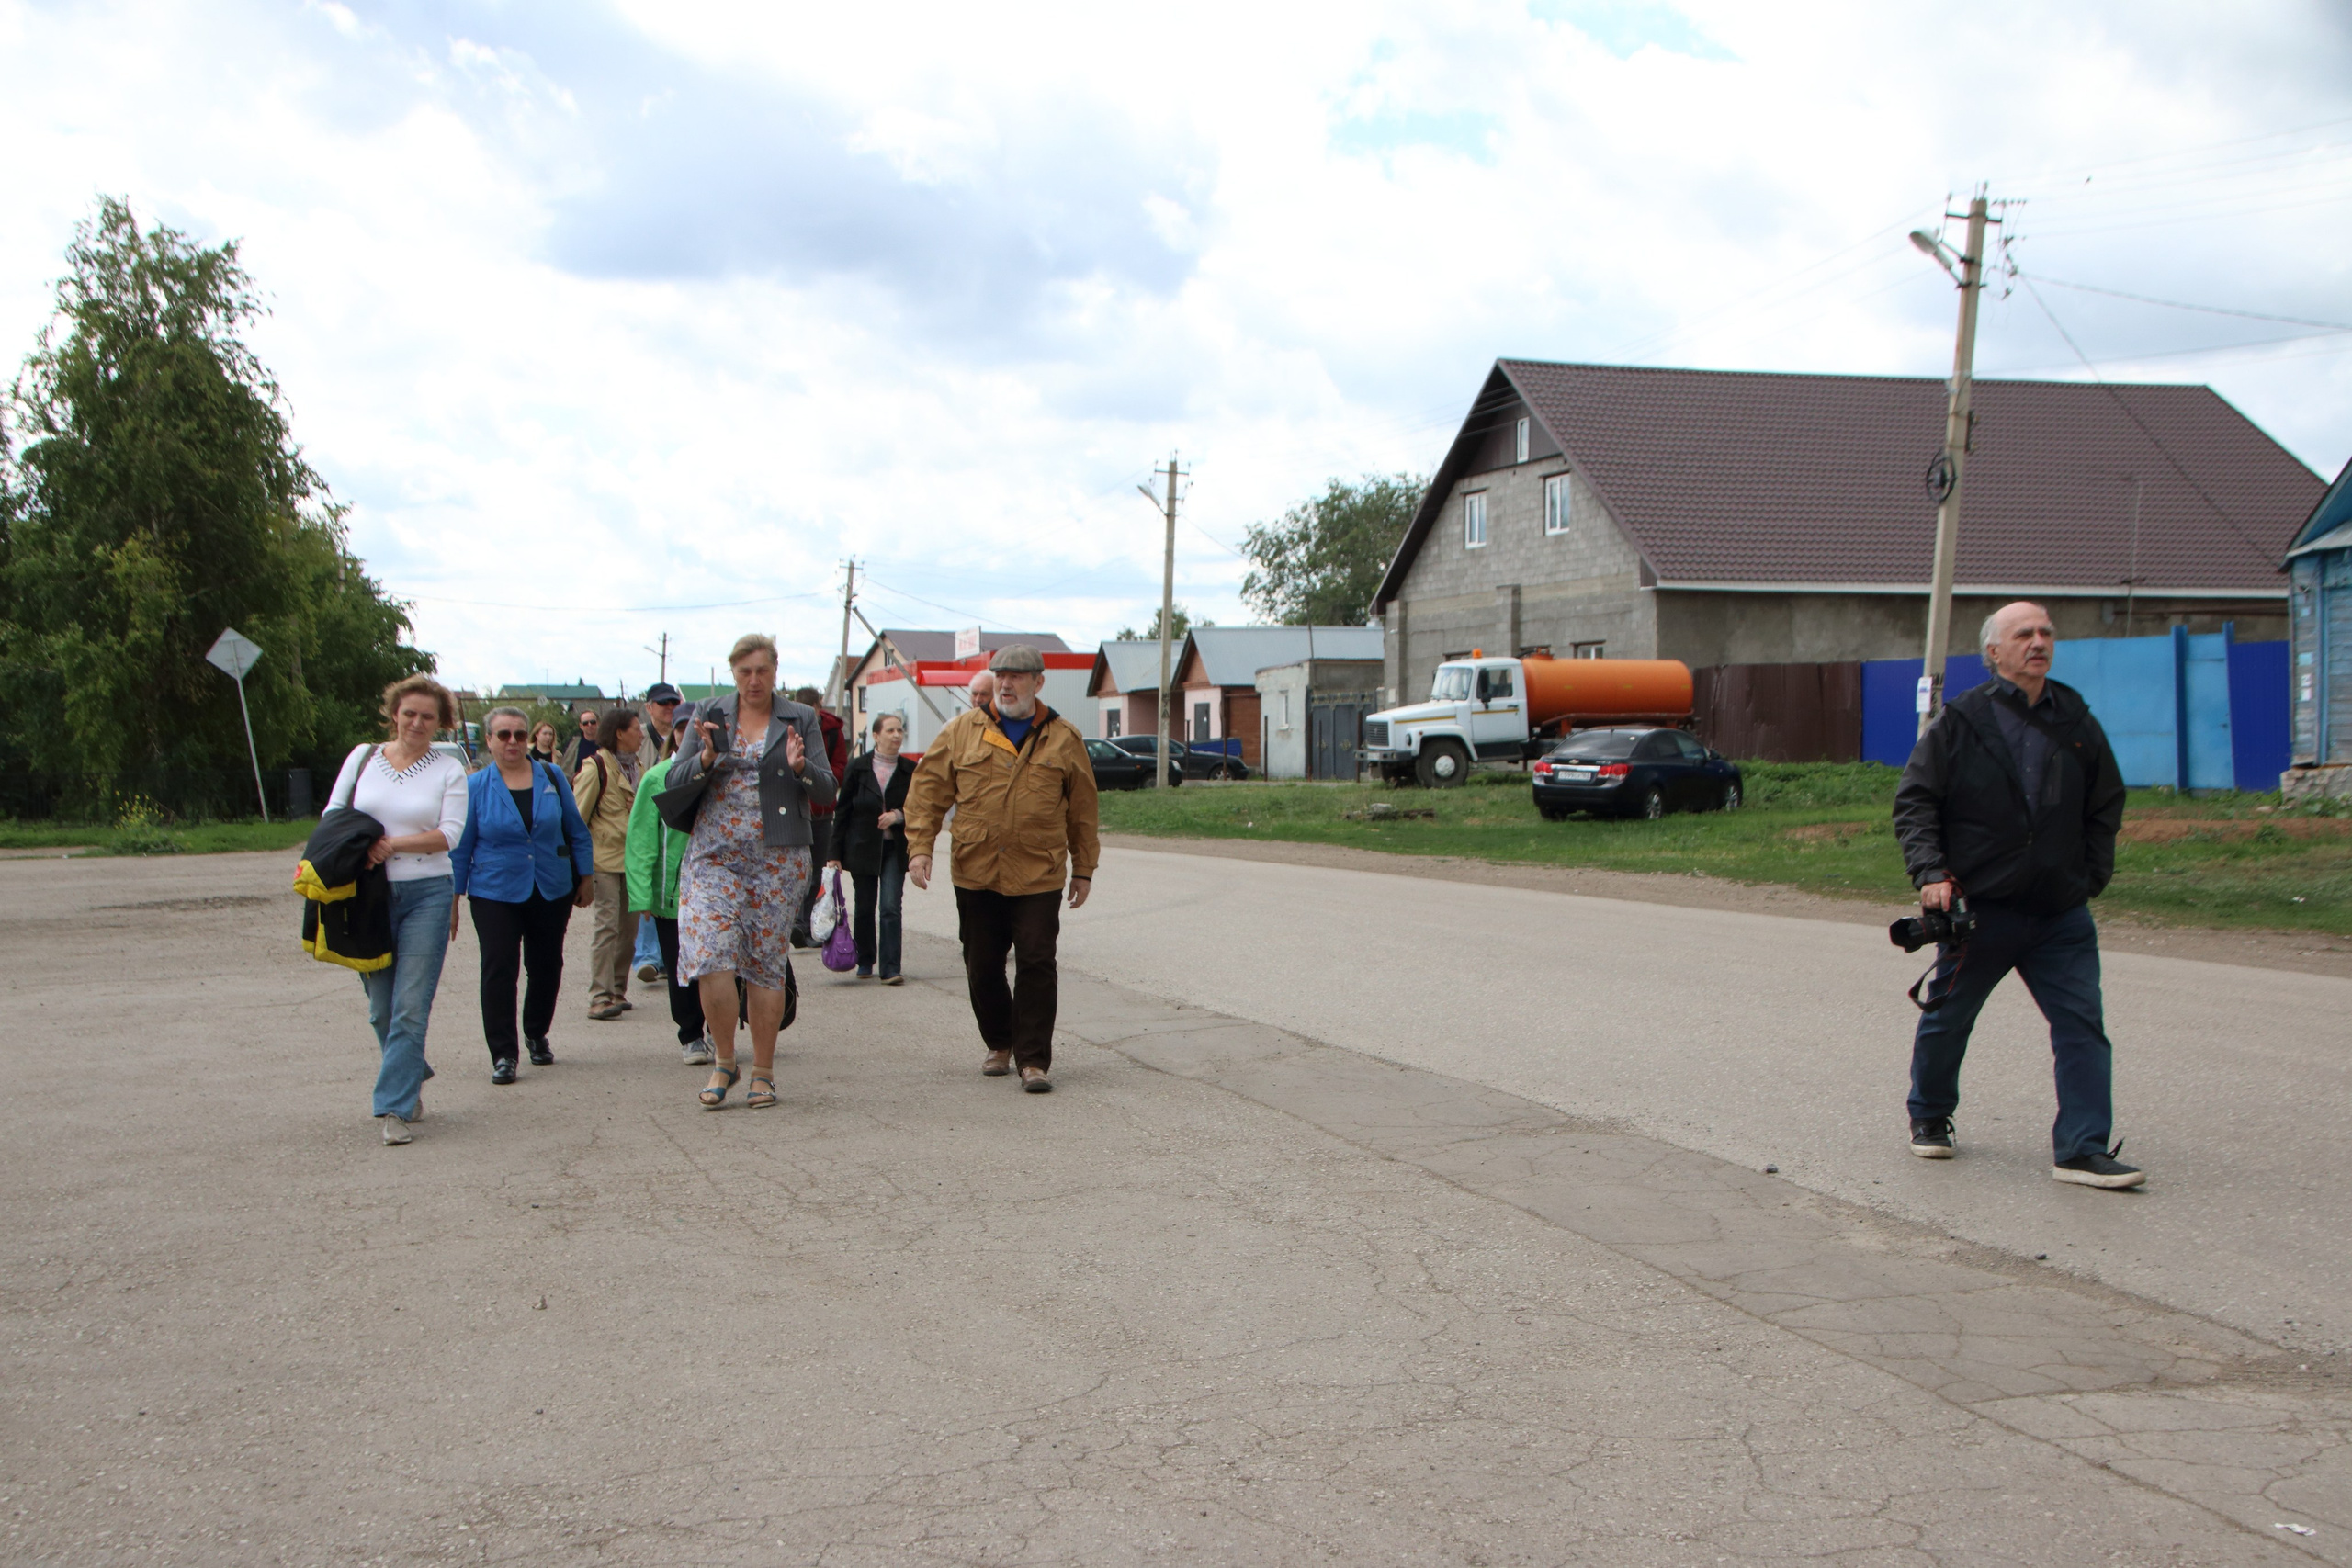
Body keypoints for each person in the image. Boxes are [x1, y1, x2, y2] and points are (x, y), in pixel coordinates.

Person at [1893, 600, 2140, 1190]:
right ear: (1994, 653)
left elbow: (2106, 802)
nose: (2038, 641)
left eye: (2046, 632)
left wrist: (2090, 876)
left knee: (2082, 1024)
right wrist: (1931, 872)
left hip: (2060, 911)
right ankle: (1929, 1115)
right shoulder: (1963, 720)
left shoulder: (2074, 716)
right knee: (1949, 1018)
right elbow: (1916, 802)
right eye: (2024, 633)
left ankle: (2082, 1149)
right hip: (1983, 910)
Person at [904, 645, 1099, 1093]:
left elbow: (1083, 810)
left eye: (1017, 676)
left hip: (1039, 871)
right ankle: (999, 1041)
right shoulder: (962, 731)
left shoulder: (1063, 737)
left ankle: (1033, 1060)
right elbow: (928, 790)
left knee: (1036, 962)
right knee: (982, 965)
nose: (1006, 684)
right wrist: (920, 848)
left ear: (1038, 682)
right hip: (977, 869)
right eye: (1001, 676)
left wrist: (1084, 868)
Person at [662, 636, 835, 1111]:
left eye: (762, 670)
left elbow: (827, 787)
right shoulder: (710, 715)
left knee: (764, 964)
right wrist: (704, 758)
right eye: (745, 673)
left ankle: (762, 1071)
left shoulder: (800, 718)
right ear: (734, 673)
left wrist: (800, 770)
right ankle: (724, 1060)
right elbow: (674, 779)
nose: (754, 680)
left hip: (777, 858)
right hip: (713, 854)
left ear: (775, 670)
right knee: (710, 957)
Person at [328, 675, 470, 1145]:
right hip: (366, 893)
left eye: (428, 716)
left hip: (427, 892)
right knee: (380, 1010)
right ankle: (411, 1070)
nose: (417, 722)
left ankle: (395, 1108)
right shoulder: (363, 757)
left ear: (441, 723)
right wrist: (360, 849)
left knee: (410, 1007)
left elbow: (449, 834)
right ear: (394, 713)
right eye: (409, 713)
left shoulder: (447, 769)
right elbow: (334, 812)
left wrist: (389, 845)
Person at [450, 706, 595, 1084]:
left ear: (527, 738)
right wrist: (452, 896)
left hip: (550, 885)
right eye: (503, 735)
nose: (511, 742)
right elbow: (461, 847)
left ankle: (535, 1031)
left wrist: (586, 876)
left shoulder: (551, 776)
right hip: (493, 890)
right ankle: (503, 1053)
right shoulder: (476, 786)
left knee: (546, 965)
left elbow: (576, 829)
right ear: (489, 740)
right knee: (499, 968)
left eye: (518, 734)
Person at [627, 702, 713, 1065]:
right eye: (682, 729)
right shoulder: (657, 777)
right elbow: (642, 840)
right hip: (672, 895)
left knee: (716, 965)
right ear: (674, 733)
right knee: (681, 968)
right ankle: (691, 1034)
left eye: (696, 728)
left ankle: (719, 1028)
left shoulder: (720, 771)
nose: (688, 735)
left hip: (715, 889)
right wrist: (642, 894)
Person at [832, 713, 913, 983]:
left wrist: (898, 816)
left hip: (894, 848)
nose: (896, 735)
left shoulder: (909, 770)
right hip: (863, 847)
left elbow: (920, 809)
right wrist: (833, 854)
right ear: (876, 736)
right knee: (865, 907)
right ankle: (865, 960)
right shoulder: (857, 768)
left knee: (890, 907)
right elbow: (842, 812)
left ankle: (891, 968)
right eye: (890, 730)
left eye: (900, 730)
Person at [573, 706, 642, 1020]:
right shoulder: (595, 768)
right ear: (620, 733)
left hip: (634, 861)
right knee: (607, 928)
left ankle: (617, 989)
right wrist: (581, 870)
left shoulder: (638, 767)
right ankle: (598, 996)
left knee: (629, 931)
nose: (641, 734)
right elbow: (577, 818)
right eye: (636, 728)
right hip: (603, 861)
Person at [789, 685, 849, 948]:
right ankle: (796, 924)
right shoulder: (787, 730)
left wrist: (813, 774)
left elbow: (839, 770)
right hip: (795, 813)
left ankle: (809, 926)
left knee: (817, 873)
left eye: (810, 710)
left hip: (823, 812)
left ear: (818, 706)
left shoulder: (833, 733)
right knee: (795, 873)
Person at [632, 684, 684, 986]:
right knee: (655, 892)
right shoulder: (639, 737)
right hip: (648, 817)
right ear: (649, 707)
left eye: (673, 702)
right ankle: (648, 957)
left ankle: (658, 957)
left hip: (676, 832)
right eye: (662, 703)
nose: (669, 707)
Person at [560, 709, 600, 773]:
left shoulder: (606, 744)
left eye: (592, 722)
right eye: (585, 723)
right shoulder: (572, 744)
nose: (589, 725)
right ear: (581, 726)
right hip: (578, 781)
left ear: (598, 723)